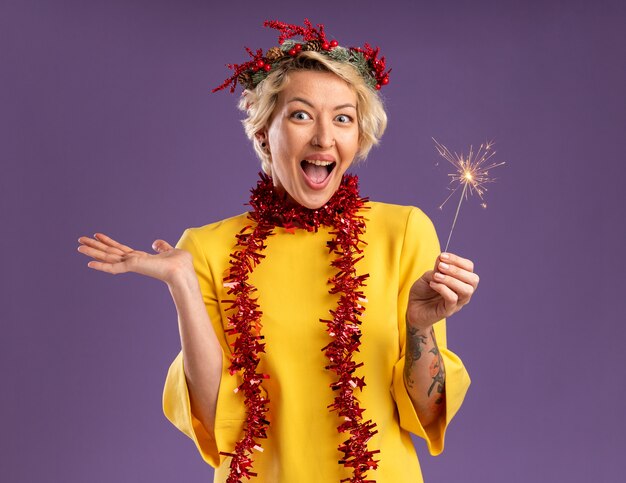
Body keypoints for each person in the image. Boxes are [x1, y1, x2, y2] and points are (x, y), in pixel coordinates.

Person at [77, 19, 477, 483]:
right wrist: (183, 283)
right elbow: (214, 417)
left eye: (343, 118)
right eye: (301, 114)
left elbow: (426, 412)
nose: (324, 137)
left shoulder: (404, 231)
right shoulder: (206, 248)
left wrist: (420, 329)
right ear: (265, 131)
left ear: (358, 139)